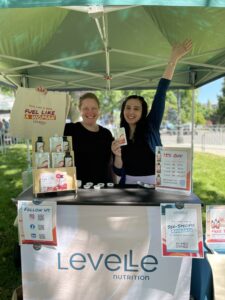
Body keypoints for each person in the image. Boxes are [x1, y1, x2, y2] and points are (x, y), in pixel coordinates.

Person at [111, 40, 192, 185]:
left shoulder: (151, 125)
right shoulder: (120, 134)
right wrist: (117, 155)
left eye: (136, 108)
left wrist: (173, 60)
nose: (131, 112)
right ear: (123, 110)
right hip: (128, 187)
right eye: (128, 107)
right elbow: (117, 171)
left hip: (155, 185)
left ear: (143, 112)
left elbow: (161, 92)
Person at [64, 93, 114, 185]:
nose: (90, 112)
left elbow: (111, 164)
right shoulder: (69, 130)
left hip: (102, 189)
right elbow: (48, 122)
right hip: (75, 189)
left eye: (94, 108)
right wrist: (42, 96)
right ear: (79, 110)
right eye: (85, 108)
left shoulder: (106, 134)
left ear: (99, 110)